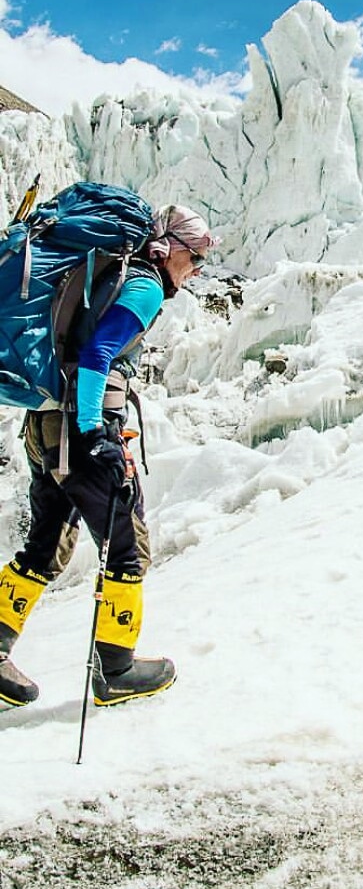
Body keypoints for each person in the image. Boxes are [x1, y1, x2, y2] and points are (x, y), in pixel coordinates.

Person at [0, 204, 218, 708]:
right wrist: (96, 432)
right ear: (171, 248)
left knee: (46, 544)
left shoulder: (111, 275)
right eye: (196, 255)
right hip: (81, 430)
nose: (198, 267)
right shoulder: (142, 285)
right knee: (127, 544)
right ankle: (116, 669)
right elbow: (98, 355)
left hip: (48, 425)